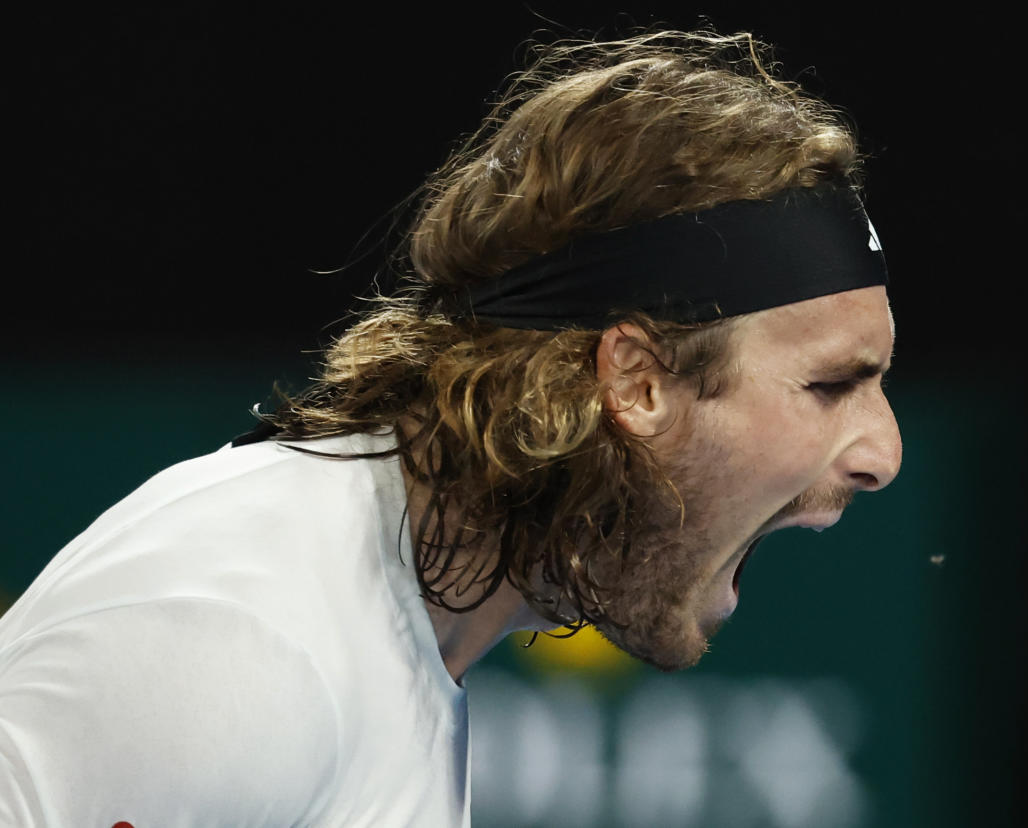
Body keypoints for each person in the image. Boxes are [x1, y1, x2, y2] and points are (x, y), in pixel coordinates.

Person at [0, 29, 901, 827]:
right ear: (636, 381)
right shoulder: (244, 645)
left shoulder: (393, 636)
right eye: (831, 385)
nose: (883, 455)